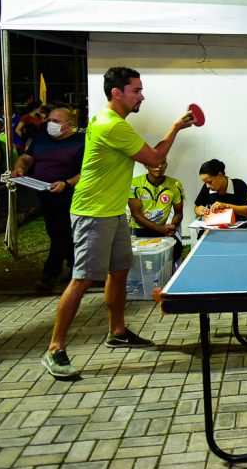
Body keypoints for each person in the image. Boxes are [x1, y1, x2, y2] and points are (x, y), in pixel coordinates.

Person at [41, 67, 194, 380]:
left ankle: (117, 330)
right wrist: (176, 127)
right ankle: (54, 348)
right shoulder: (113, 125)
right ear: (117, 93)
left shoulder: (105, 119)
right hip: (93, 213)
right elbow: (154, 159)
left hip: (113, 212)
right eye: (136, 90)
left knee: (120, 271)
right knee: (82, 279)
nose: (141, 96)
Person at [11, 108, 85, 292]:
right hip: (43, 193)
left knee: (60, 232)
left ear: (69, 125)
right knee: (56, 231)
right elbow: (26, 158)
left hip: (68, 194)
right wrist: (19, 168)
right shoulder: (40, 139)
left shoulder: (80, 142)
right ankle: (75, 268)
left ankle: (49, 274)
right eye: (49, 120)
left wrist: (67, 183)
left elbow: (86, 172)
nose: (50, 124)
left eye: (56, 121)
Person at [128, 160, 185, 263]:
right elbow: (136, 214)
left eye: (162, 162)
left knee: (177, 249)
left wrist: (171, 226)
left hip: (162, 230)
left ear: (166, 165)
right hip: (138, 230)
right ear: (146, 165)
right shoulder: (135, 183)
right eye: (154, 162)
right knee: (142, 260)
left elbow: (179, 213)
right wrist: (160, 229)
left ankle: (169, 276)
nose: (159, 166)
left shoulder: (175, 184)